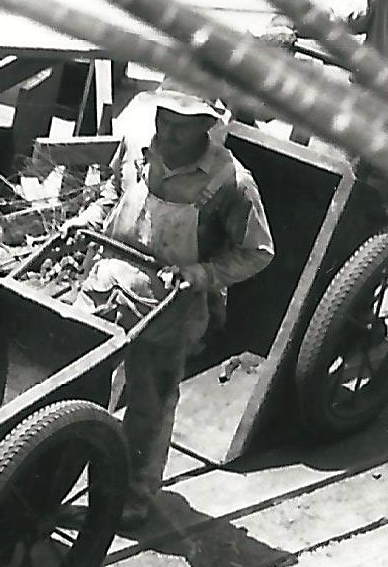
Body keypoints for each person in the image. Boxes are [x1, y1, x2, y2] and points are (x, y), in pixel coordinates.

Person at [70, 86, 274, 528]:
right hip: (108, 279)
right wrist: (86, 222)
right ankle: (49, 474)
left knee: (150, 401)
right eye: (165, 118)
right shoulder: (137, 149)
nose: (169, 131)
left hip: (170, 302)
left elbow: (257, 252)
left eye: (183, 125)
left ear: (207, 126)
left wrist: (203, 274)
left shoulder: (231, 183)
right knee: (70, 377)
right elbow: (111, 192)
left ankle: (132, 497)